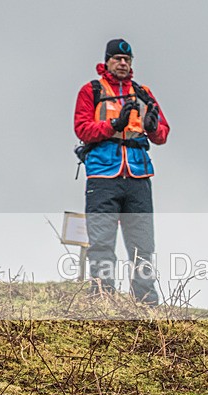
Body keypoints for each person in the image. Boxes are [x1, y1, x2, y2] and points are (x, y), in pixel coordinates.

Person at [74, 38, 170, 305]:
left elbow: (163, 134)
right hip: (103, 176)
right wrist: (113, 124)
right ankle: (103, 295)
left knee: (143, 245)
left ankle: (146, 300)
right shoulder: (91, 91)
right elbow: (81, 129)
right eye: (117, 58)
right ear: (107, 61)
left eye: (127, 60)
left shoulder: (143, 93)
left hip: (138, 177)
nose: (123, 63)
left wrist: (152, 127)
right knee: (101, 241)